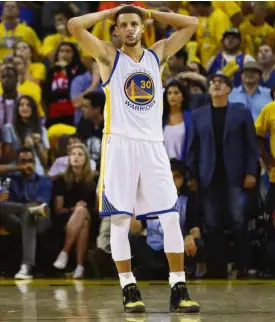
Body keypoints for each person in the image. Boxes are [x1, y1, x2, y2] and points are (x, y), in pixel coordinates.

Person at [69, 4, 199, 313]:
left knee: (170, 216)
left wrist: (149, 12)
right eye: (123, 24)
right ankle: (128, 287)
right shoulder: (108, 56)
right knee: (120, 219)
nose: (128, 29)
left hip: (153, 146)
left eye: (133, 24)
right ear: (116, 30)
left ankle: (178, 287)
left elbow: (191, 23)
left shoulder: (158, 54)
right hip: (121, 146)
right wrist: (109, 13)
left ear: (142, 28)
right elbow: (75, 25)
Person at [187, 73, 258, 278]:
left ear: (229, 89)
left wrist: (251, 172)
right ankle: (216, 268)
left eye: (221, 82)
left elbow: (251, 146)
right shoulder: (199, 114)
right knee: (211, 223)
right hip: (208, 176)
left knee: (239, 221)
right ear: (209, 90)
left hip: (235, 175)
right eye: (213, 83)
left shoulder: (241, 112)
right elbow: (193, 148)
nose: (216, 84)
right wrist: (192, 174)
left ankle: (242, 267)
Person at [0, 147, 52, 279]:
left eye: (30, 161)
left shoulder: (44, 180)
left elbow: (40, 206)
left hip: (39, 219)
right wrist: (17, 168)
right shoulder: (12, 179)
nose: (27, 165)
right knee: (20, 211)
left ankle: (26, 266)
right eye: (23, 161)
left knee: (29, 213)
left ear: (35, 163)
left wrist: (23, 209)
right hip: (16, 220)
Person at [53, 144, 97, 279]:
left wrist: (80, 209)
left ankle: (64, 252)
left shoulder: (95, 179)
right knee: (82, 222)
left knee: (82, 211)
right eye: (73, 154)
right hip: (67, 216)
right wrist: (74, 209)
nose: (76, 157)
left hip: (91, 215)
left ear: (86, 159)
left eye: (80, 154)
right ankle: (79, 267)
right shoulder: (61, 179)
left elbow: (97, 207)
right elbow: (58, 209)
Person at [2, 95, 49, 175]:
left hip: (36, 170)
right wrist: (23, 146)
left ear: (33, 109)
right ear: (17, 109)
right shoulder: (9, 128)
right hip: (15, 170)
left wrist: (37, 145)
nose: (24, 107)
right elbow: (6, 159)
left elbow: (45, 162)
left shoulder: (42, 130)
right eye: (21, 105)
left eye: (28, 105)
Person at [43, 42, 86, 128]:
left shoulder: (79, 70)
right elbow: (46, 94)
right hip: (54, 112)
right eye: (61, 51)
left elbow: (73, 90)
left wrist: (67, 69)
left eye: (68, 51)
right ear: (57, 54)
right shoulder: (51, 72)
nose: (64, 54)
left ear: (74, 54)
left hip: (72, 112)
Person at [163, 80, 191, 161]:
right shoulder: (160, 119)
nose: (172, 96)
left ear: (183, 96)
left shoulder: (191, 117)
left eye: (176, 93)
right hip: (164, 167)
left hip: (184, 167)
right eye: (169, 93)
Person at [77, 92, 105, 168]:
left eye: (85, 107)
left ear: (97, 110)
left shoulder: (111, 128)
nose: (82, 110)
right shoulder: (84, 122)